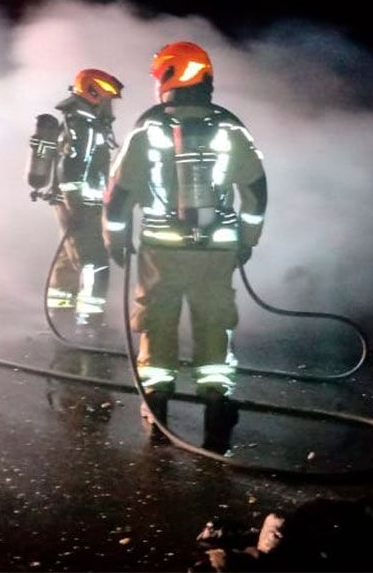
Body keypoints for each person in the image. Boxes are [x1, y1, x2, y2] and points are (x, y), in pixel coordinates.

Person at [102, 41, 267, 453]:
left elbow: (117, 196)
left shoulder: (149, 130)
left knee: (157, 322)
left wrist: (116, 242)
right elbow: (256, 193)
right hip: (217, 251)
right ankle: (217, 410)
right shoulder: (231, 130)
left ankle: (158, 413)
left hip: (162, 251)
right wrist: (247, 241)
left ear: (171, 77)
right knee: (215, 321)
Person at [30, 69, 122, 335]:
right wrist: (77, 206)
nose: (110, 104)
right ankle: (89, 322)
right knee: (94, 261)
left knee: (69, 259)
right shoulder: (82, 125)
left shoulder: (85, 122)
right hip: (80, 205)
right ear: (94, 93)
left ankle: (60, 312)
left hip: (77, 203)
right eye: (107, 98)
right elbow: (70, 170)